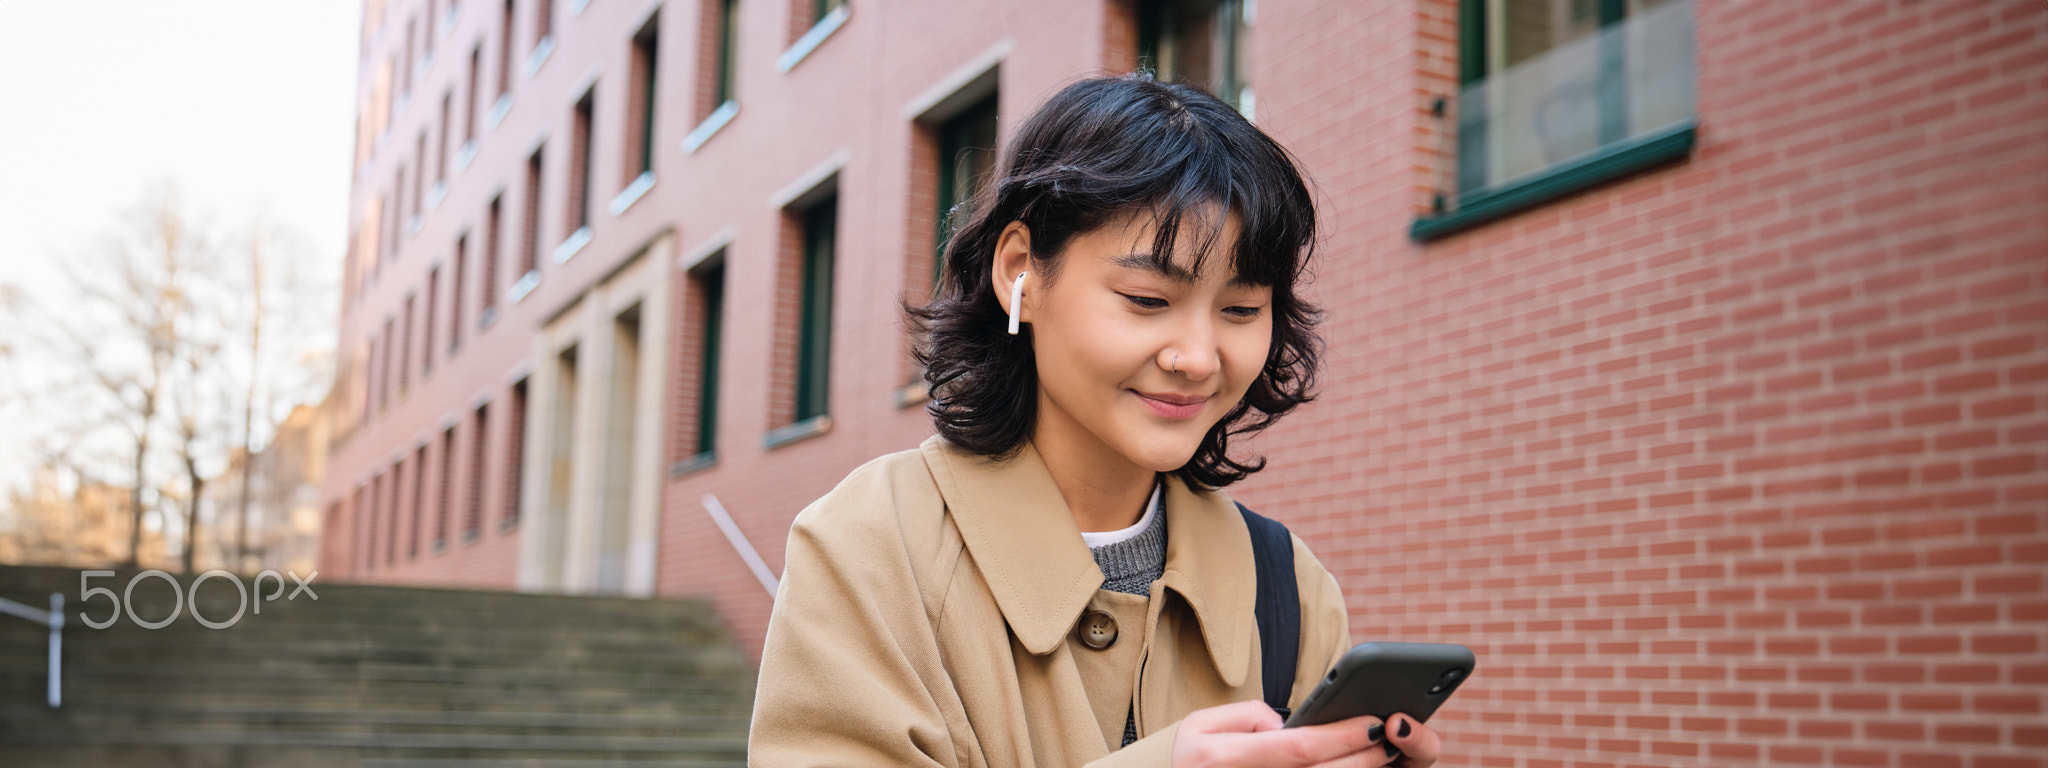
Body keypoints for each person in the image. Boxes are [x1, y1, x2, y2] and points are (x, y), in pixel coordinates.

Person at [747, 74, 1444, 768]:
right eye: (1146, 298)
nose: (1198, 358)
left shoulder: (1287, 583)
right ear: (1021, 270)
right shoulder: (871, 547)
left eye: (1239, 310)